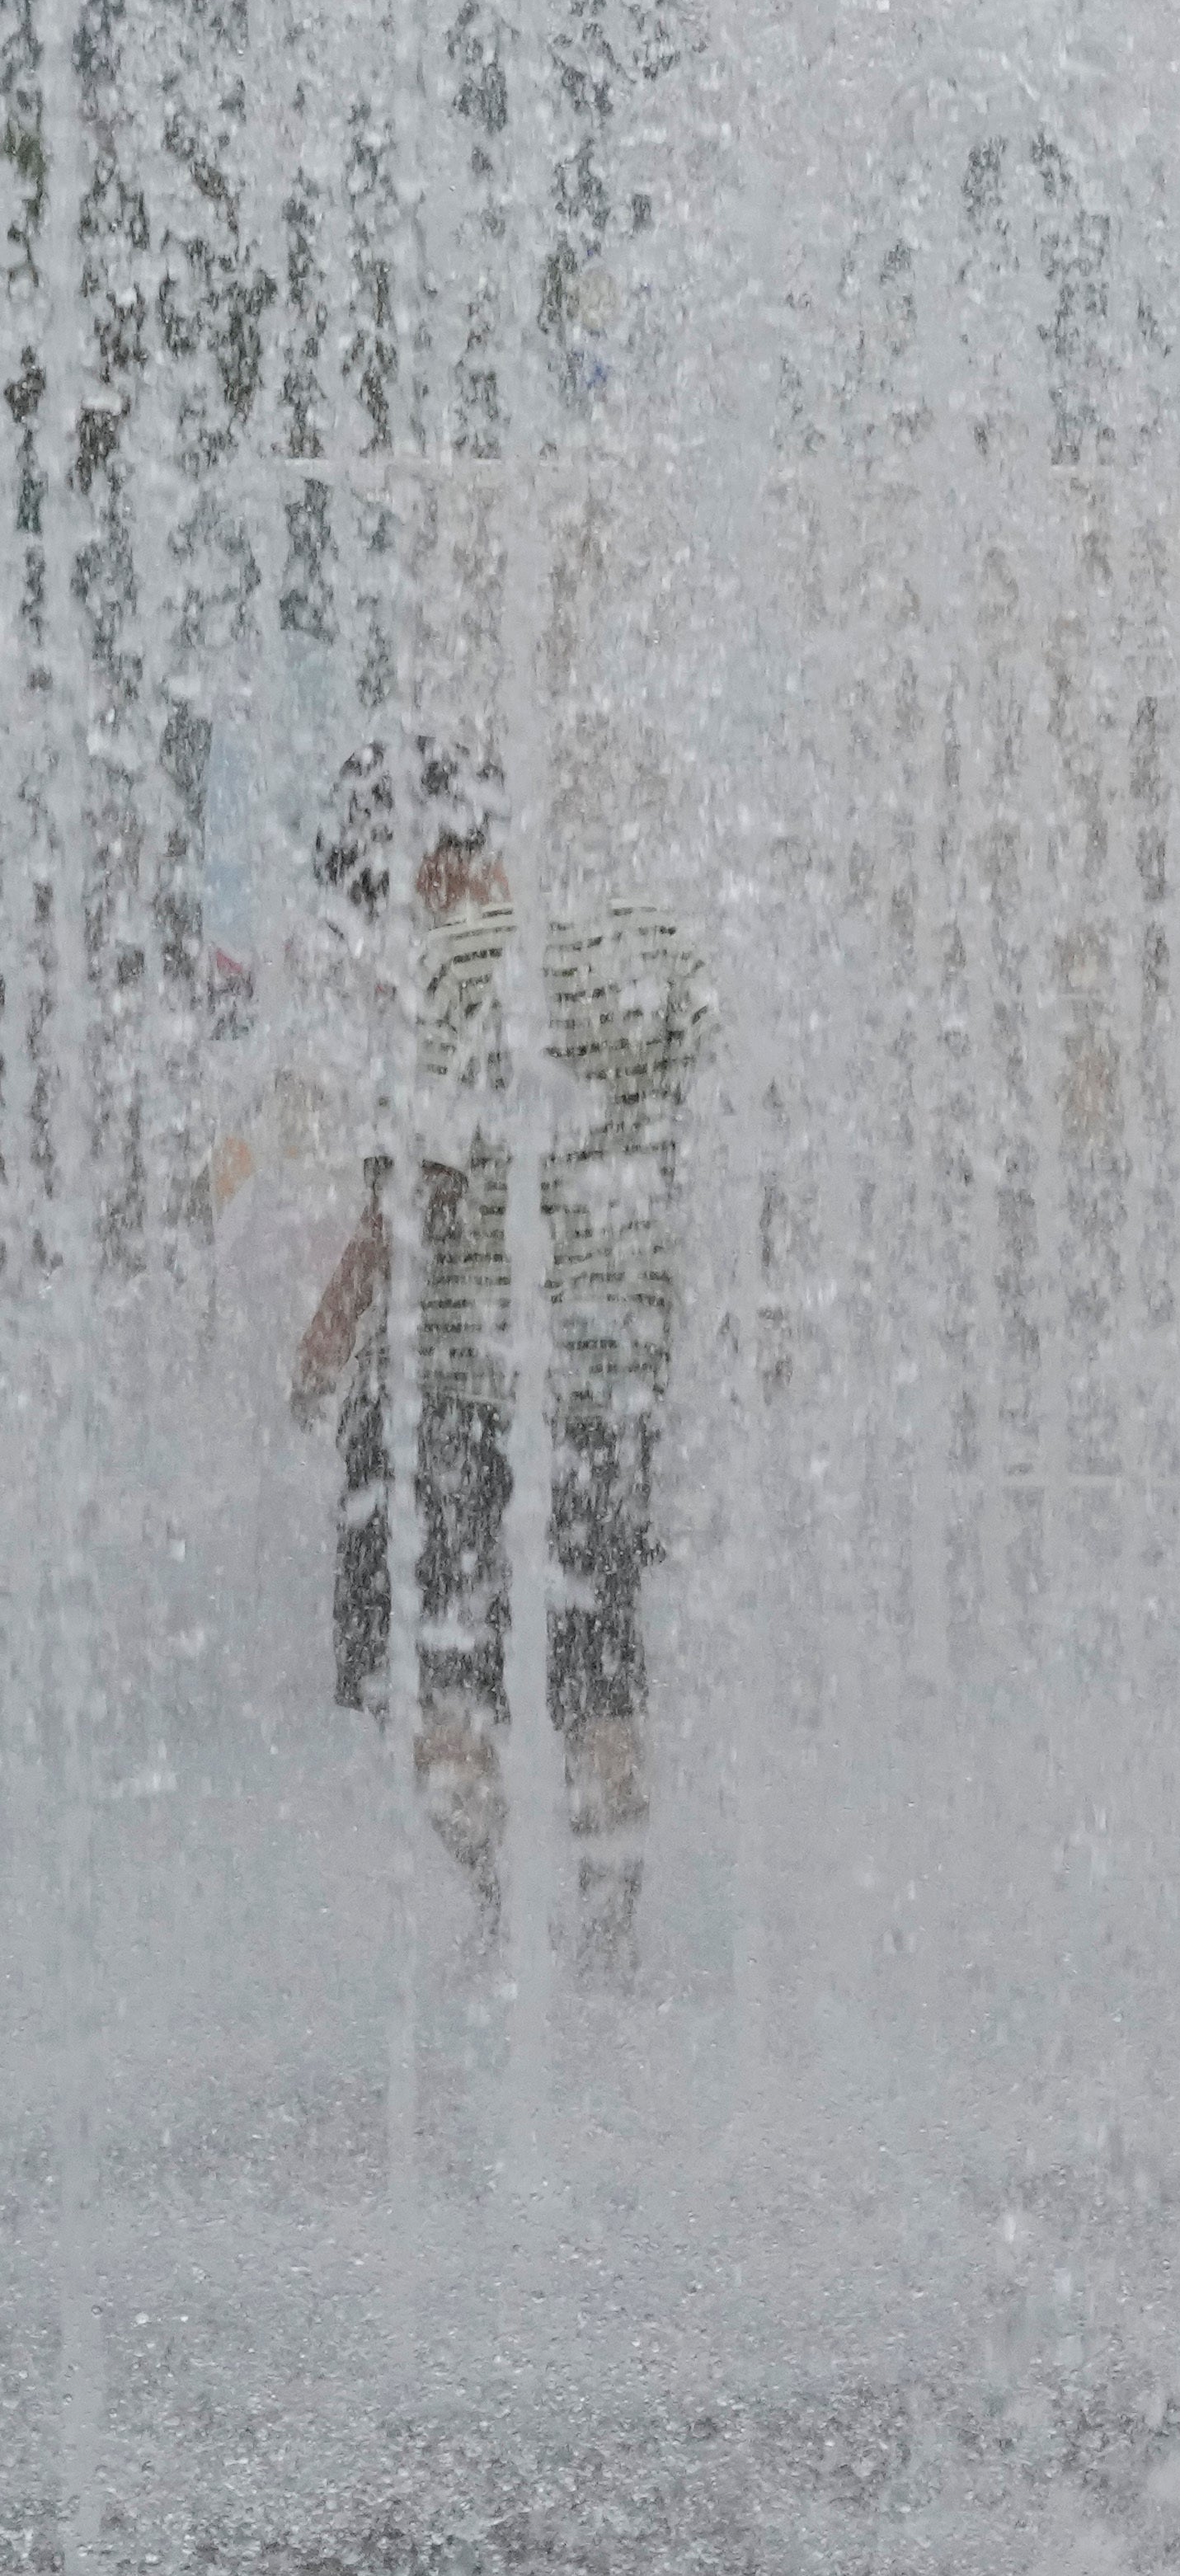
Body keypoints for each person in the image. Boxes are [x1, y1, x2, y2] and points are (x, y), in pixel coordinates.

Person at [292, 740, 712, 1976]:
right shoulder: (651, 941)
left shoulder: (453, 962)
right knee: (600, 1674)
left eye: (375, 892)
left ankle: (495, 1910)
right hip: (606, 1376)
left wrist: (322, 1347)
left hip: (455, 1390)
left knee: (435, 1683)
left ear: (421, 861)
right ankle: (608, 1938)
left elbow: (414, 1196)